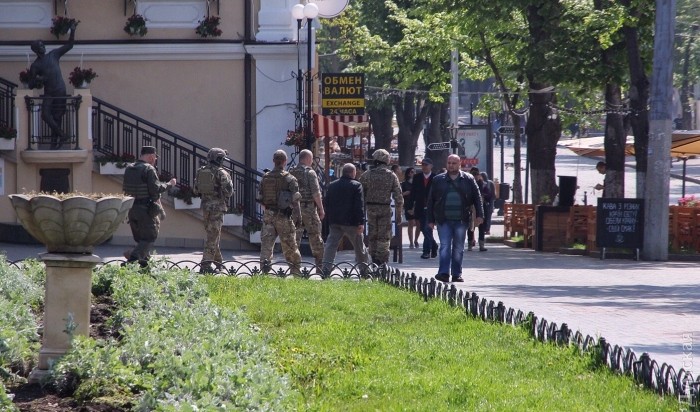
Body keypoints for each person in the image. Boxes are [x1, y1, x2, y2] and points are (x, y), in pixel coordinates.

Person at [427, 154, 484, 283]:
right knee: (445, 246)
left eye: (454, 163)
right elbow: (431, 200)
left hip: (461, 219)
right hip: (443, 219)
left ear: (459, 164)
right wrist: (430, 219)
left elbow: (477, 197)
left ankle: (456, 274)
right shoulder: (438, 179)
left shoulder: (468, 179)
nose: (451, 165)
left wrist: (480, 215)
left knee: (458, 247)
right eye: (449, 163)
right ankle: (443, 273)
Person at [122, 146, 176, 267]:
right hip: (145, 209)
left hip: (131, 208)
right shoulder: (149, 169)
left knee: (140, 239)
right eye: (155, 158)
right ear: (151, 157)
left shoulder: (129, 168)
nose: (155, 160)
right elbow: (155, 189)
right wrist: (170, 184)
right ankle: (132, 259)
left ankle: (145, 266)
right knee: (149, 237)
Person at [28, 22, 77, 149]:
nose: (43, 47)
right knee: (45, 114)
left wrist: (72, 31)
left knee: (57, 117)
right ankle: (62, 134)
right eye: (40, 45)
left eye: (43, 44)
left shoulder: (53, 54)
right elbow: (30, 84)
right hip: (49, 93)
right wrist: (38, 79)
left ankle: (53, 144)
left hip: (60, 89)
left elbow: (70, 45)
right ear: (36, 50)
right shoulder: (35, 66)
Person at [257, 150, 302, 275]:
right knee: (290, 246)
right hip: (284, 216)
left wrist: (268, 210)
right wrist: (298, 217)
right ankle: (296, 273)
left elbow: (260, 198)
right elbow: (296, 200)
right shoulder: (290, 179)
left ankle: (264, 272)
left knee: (266, 246)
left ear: (273, 161)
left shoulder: (265, 178)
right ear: (285, 161)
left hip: (268, 215)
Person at [322, 163, 370, 276]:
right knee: (359, 247)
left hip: (335, 221)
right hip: (352, 222)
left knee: (331, 245)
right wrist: (360, 222)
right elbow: (359, 205)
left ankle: (326, 269)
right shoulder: (356, 185)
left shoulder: (332, 185)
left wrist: (330, 218)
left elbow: (326, 202)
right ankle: (365, 270)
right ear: (353, 173)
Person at [358, 149, 403, 265]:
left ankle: (373, 258)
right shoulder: (391, 176)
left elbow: (360, 194)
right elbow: (398, 197)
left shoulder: (367, 175)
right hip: (385, 209)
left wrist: (360, 211)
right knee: (384, 237)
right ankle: (381, 261)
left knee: (372, 235)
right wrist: (399, 215)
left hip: (371, 209)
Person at [194, 147, 233, 274]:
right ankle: (205, 266)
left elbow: (196, 190)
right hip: (217, 209)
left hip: (206, 207)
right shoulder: (222, 173)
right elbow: (229, 192)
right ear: (219, 159)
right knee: (212, 237)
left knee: (213, 235)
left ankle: (219, 263)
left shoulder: (201, 171)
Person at [289, 149, 325, 269]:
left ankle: (294, 267)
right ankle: (320, 267)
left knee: (295, 238)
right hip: (308, 208)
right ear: (308, 159)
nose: (312, 161)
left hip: (295, 209)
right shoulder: (310, 172)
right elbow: (316, 193)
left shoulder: (291, 171)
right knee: (315, 237)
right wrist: (321, 208)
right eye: (311, 159)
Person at [412, 158, 438, 259]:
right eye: (423, 165)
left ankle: (426, 251)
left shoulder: (436, 178)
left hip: (431, 208)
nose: (424, 167)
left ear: (431, 166)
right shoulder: (417, 177)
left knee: (427, 228)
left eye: (426, 165)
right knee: (424, 229)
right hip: (420, 207)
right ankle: (434, 245)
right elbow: (413, 192)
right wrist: (409, 206)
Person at [467, 167, 491, 252]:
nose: (475, 176)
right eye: (473, 174)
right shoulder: (468, 184)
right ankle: (470, 245)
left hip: (481, 208)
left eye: (476, 174)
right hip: (471, 208)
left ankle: (481, 245)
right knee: (471, 227)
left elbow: (489, 196)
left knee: (481, 227)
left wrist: (484, 196)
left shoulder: (483, 184)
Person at [401, 167, 420, 248]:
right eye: (412, 172)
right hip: (408, 205)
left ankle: (416, 240)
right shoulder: (404, 184)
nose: (414, 173)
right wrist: (405, 193)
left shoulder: (418, 183)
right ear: (408, 174)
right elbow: (400, 195)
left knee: (418, 224)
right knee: (410, 223)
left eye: (415, 172)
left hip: (418, 204)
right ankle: (411, 242)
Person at [480, 172, 496, 236]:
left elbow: (493, 194)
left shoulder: (490, 183)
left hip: (488, 202)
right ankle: (485, 229)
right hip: (485, 202)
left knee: (488, 216)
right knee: (486, 216)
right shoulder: (481, 183)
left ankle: (487, 229)